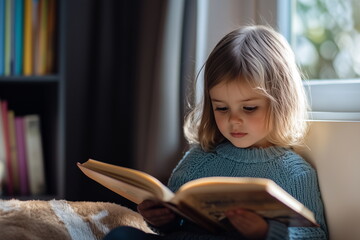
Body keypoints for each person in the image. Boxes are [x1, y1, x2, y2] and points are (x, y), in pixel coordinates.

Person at [103, 25, 328, 240]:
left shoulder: (295, 174)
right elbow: (174, 221)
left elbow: (316, 235)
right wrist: (160, 220)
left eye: (249, 108)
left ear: (280, 103)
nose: (233, 120)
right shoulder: (198, 159)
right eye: (221, 108)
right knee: (122, 235)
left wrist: (265, 232)